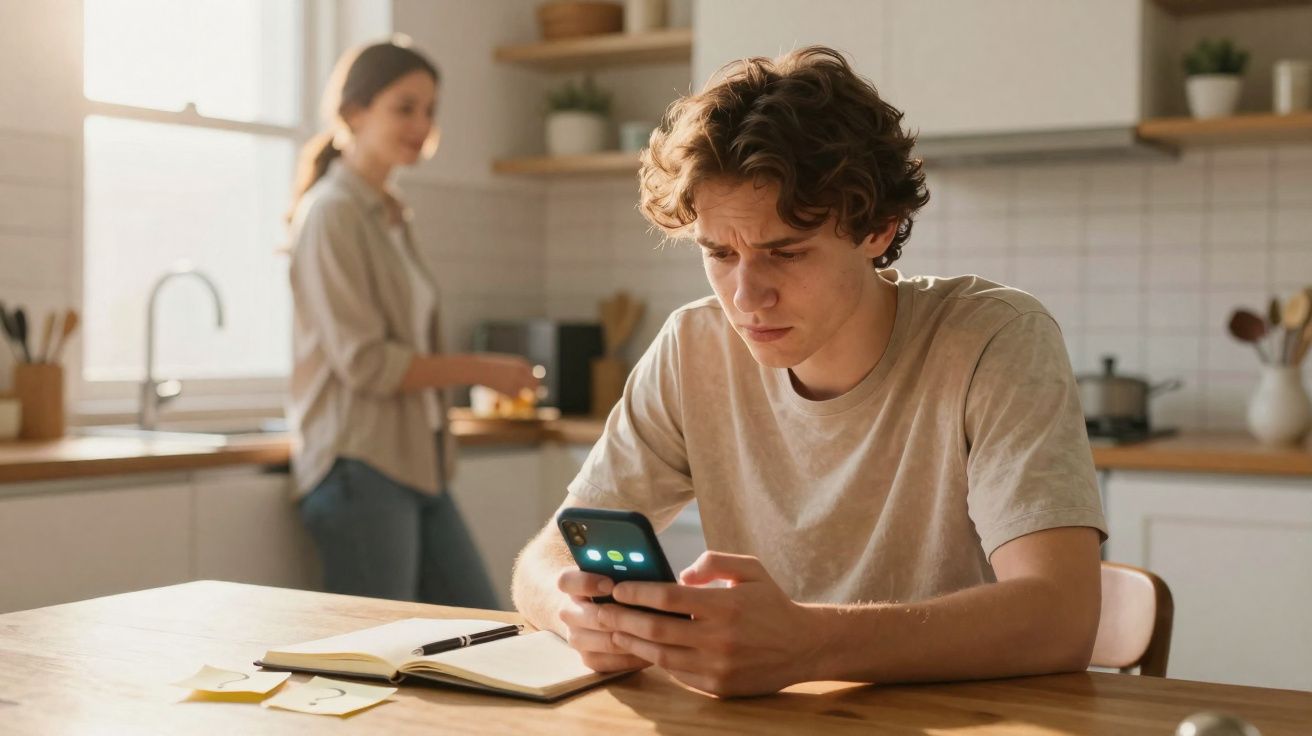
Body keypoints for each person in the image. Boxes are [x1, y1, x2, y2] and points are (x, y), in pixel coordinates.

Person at [511, 46, 1107, 697]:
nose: (745, 297)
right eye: (719, 253)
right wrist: (575, 615)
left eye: (785, 252)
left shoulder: (994, 339)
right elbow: (543, 561)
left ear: (880, 227)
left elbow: (1061, 616)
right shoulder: (691, 348)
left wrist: (811, 644)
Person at [287, 38, 537, 607]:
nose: (422, 124)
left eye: (430, 110)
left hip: (416, 464)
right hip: (359, 467)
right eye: (405, 107)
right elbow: (367, 364)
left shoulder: (389, 212)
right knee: (377, 661)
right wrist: (482, 369)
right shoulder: (332, 213)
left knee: (480, 630)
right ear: (354, 112)